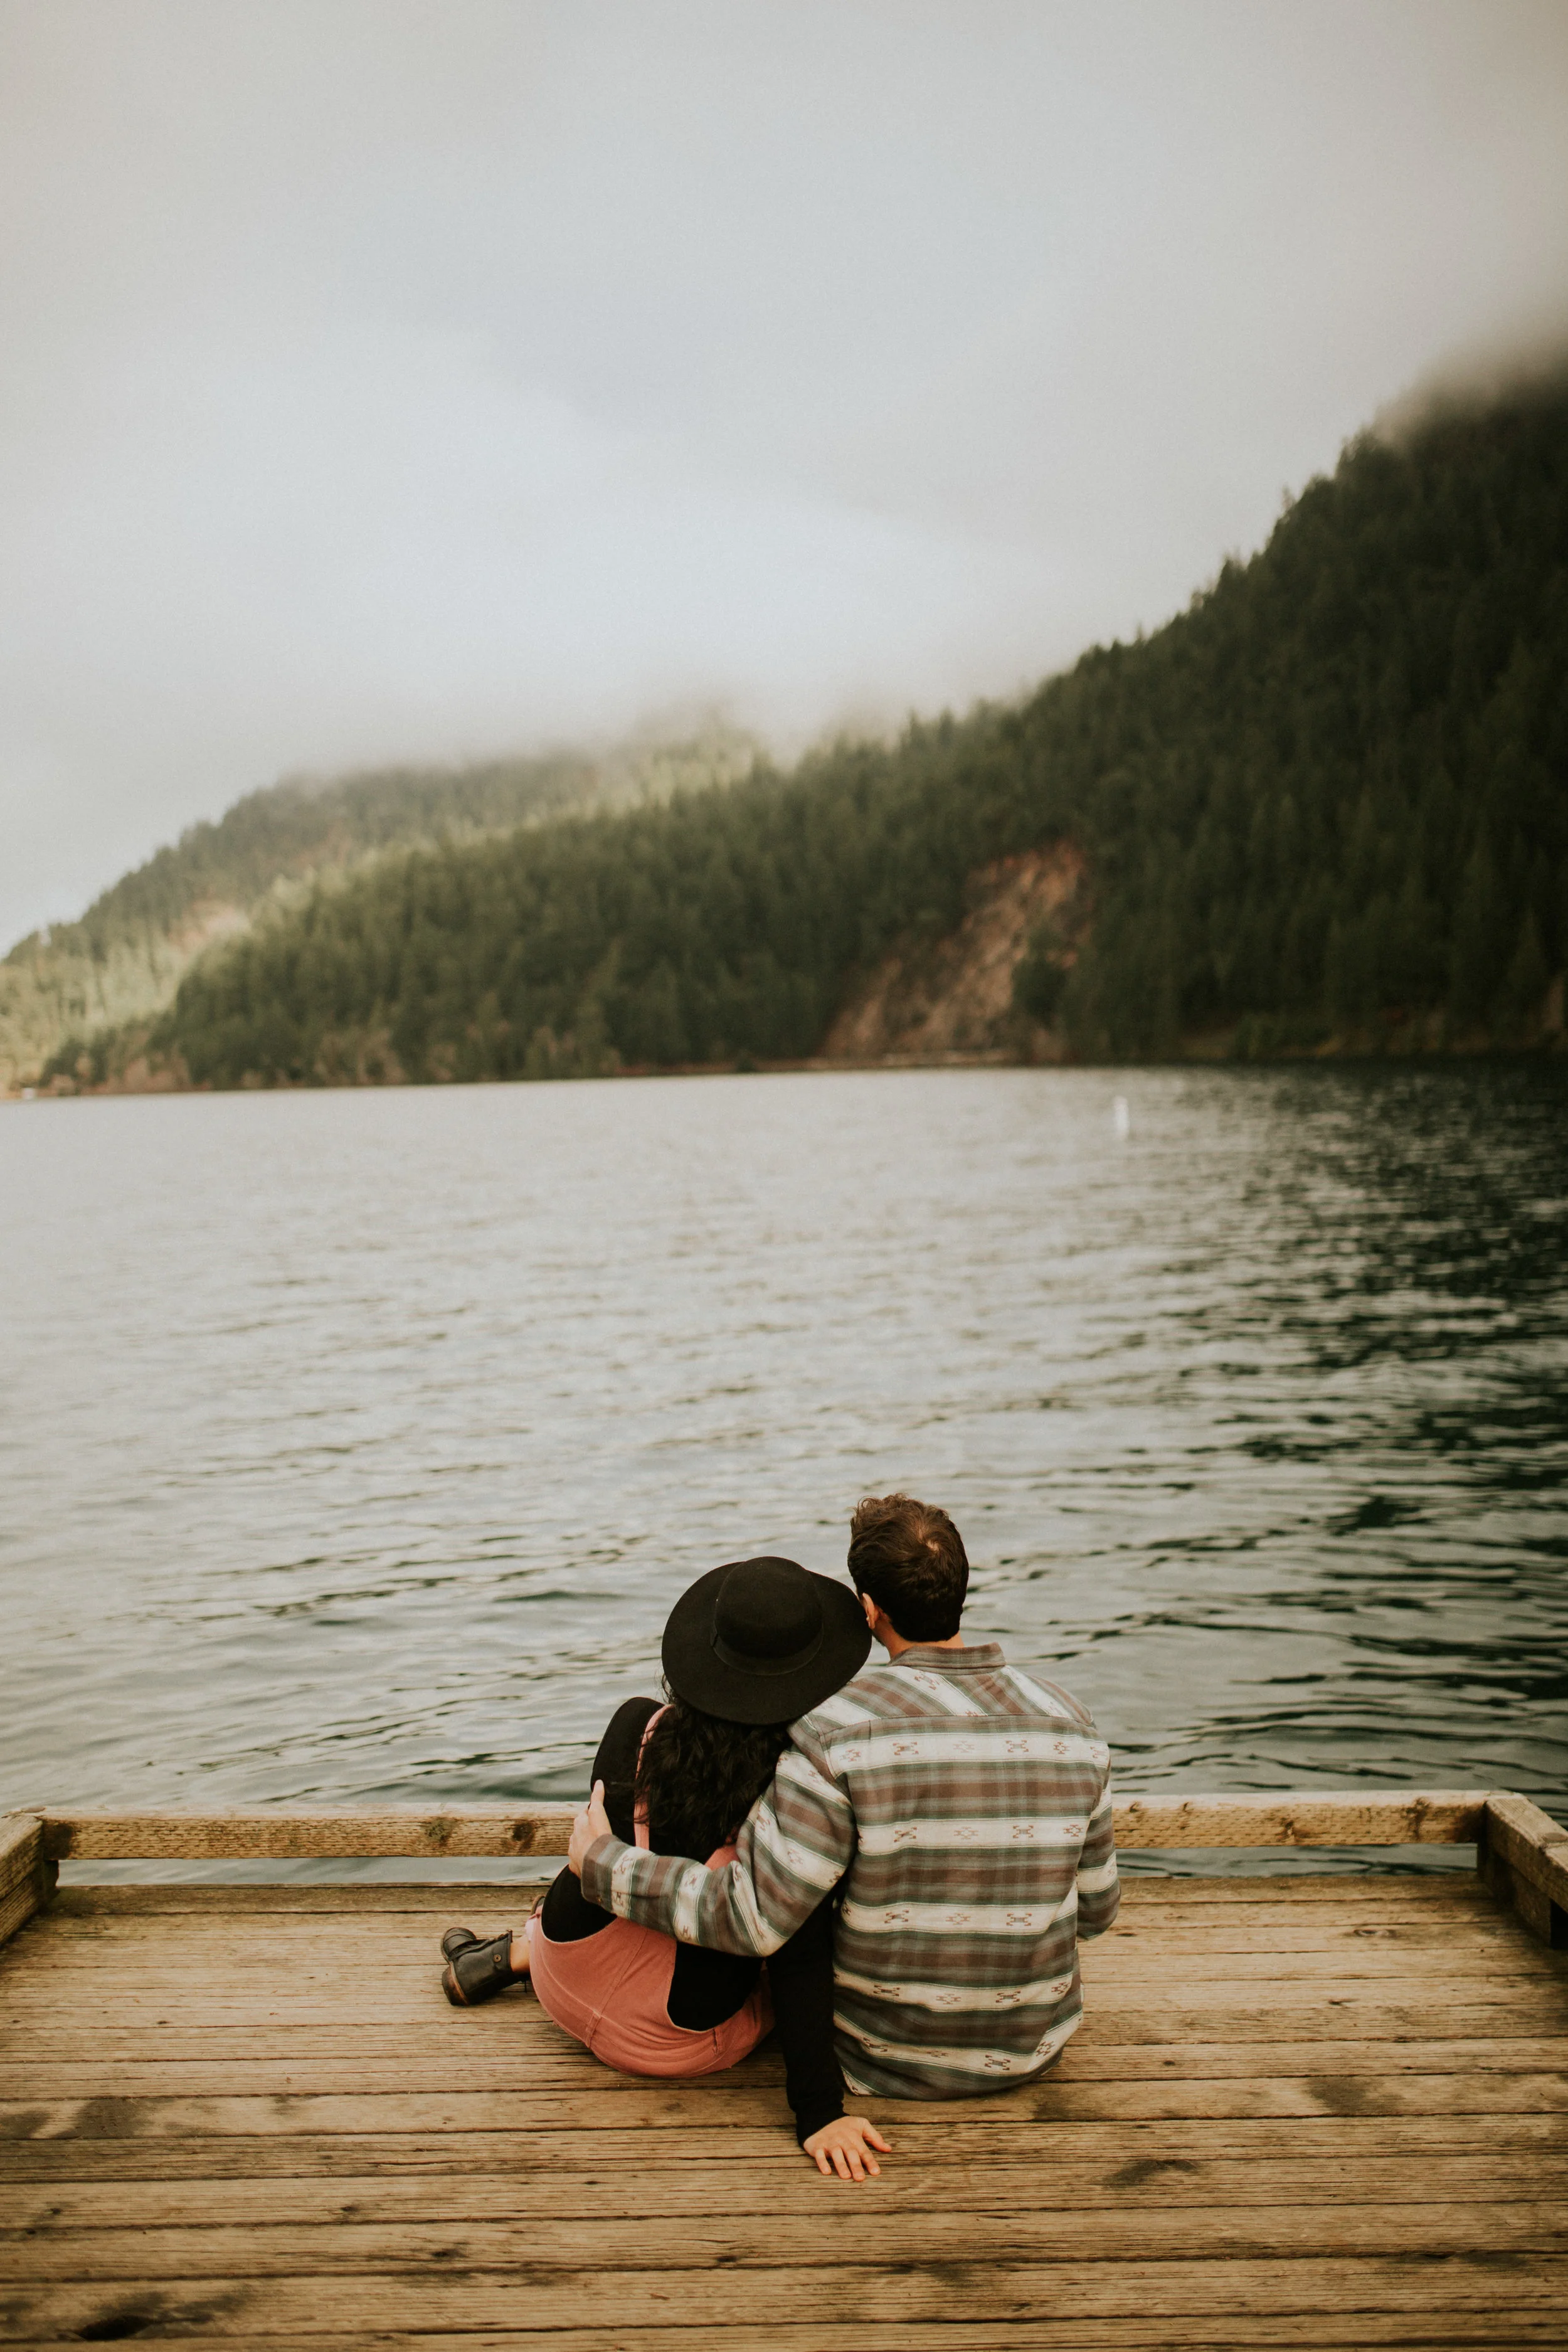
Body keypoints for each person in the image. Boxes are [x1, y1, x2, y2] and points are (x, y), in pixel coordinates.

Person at [569, 1493, 1119, 2146]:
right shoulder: (1072, 1723)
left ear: (868, 1609)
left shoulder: (832, 1735)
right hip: (1033, 2048)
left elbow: (752, 1918)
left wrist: (602, 1865)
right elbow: (1096, 1911)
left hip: (883, 2063)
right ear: (961, 1591)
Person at [438, 1554, 889, 2178]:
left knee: (606, 1844)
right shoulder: (792, 1795)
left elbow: (601, 1863)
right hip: (675, 2041)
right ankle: (513, 1952)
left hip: (562, 1978)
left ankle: (518, 1950)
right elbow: (798, 1958)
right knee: (789, 1914)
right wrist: (819, 2111)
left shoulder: (639, 1729)